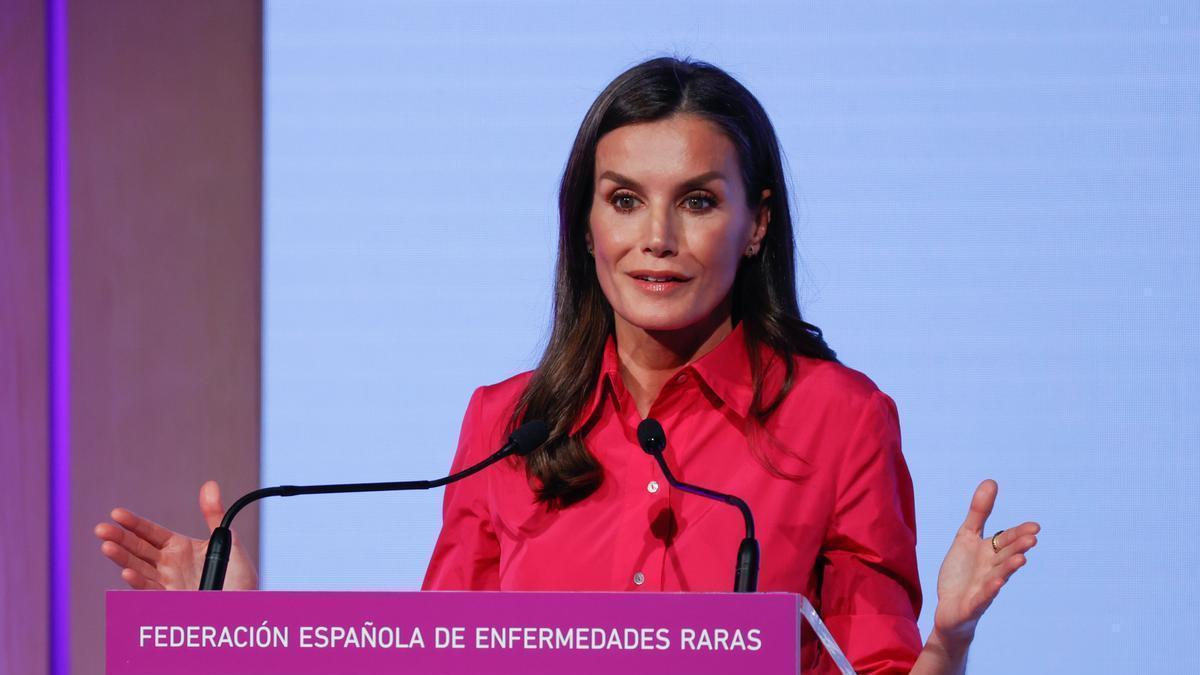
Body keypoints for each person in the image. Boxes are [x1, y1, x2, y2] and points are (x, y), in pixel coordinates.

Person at [95, 57, 1039, 674]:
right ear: (586, 226)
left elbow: (875, 661)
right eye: (625, 200)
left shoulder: (841, 418)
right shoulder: (504, 424)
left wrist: (947, 641)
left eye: (699, 202)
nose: (657, 239)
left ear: (756, 224)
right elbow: (439, 659)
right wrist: (243, 636)